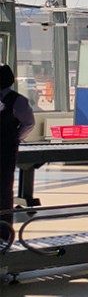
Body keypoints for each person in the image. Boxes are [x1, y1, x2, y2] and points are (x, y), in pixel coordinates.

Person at [0, 64, 36, 227]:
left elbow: (28, 123)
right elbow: (28, 124)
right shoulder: (19, 101)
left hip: (5, 150)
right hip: (7, 147)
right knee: (4, 189)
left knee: (3, 189)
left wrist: (14, 138)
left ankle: (3, 231)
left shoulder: (17, 100)